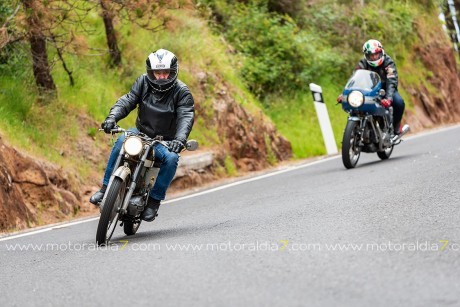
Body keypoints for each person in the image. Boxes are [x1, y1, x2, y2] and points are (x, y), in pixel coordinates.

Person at [90, 49, 195, 222]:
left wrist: (179, 140)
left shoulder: (181, 91)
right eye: (157, 73)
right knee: (121, 141)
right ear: (150, 72)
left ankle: (154, 201)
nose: (161, 77)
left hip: (164, 141)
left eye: (165, 73)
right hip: (140, 133)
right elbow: (128, 100)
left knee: (171, 159)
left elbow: (186, 116)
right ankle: (105, 188)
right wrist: (112, 118)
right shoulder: (143, 82)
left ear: (173, 72)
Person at [338, 39, 405, 134]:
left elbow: (391, 81)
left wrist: (389, 98)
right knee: (356, 107)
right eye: (370, 55)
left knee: (399, 103)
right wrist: (344, 94)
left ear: (380, 52)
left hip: (386, 90)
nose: (373, 57)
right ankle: (358, 130)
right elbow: (354, 79)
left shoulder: (388, 62)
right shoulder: (363, 63)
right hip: (369, 90)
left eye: (376, 54)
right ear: (366, 55)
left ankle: (396, 125)